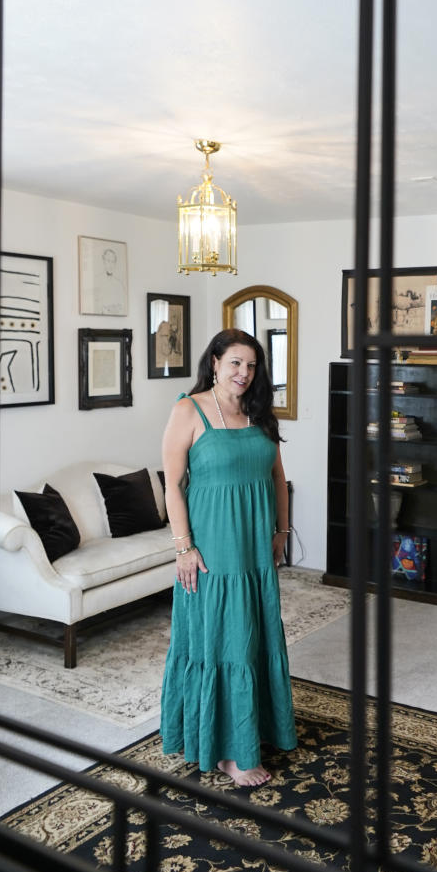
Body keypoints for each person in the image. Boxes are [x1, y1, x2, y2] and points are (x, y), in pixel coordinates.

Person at [159, 329, 297, 787]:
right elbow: (172, 486)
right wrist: (184, 547)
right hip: (213, 552)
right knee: (221, 641)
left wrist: (281, 530)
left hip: (255, 548)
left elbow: (278, 477)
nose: (244, 373)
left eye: (252, 365)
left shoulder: (259, 414)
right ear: (215, 362)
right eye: (235, 363)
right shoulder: (188, 410)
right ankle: (227, 752)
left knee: (253, 638)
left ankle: (253, 732)